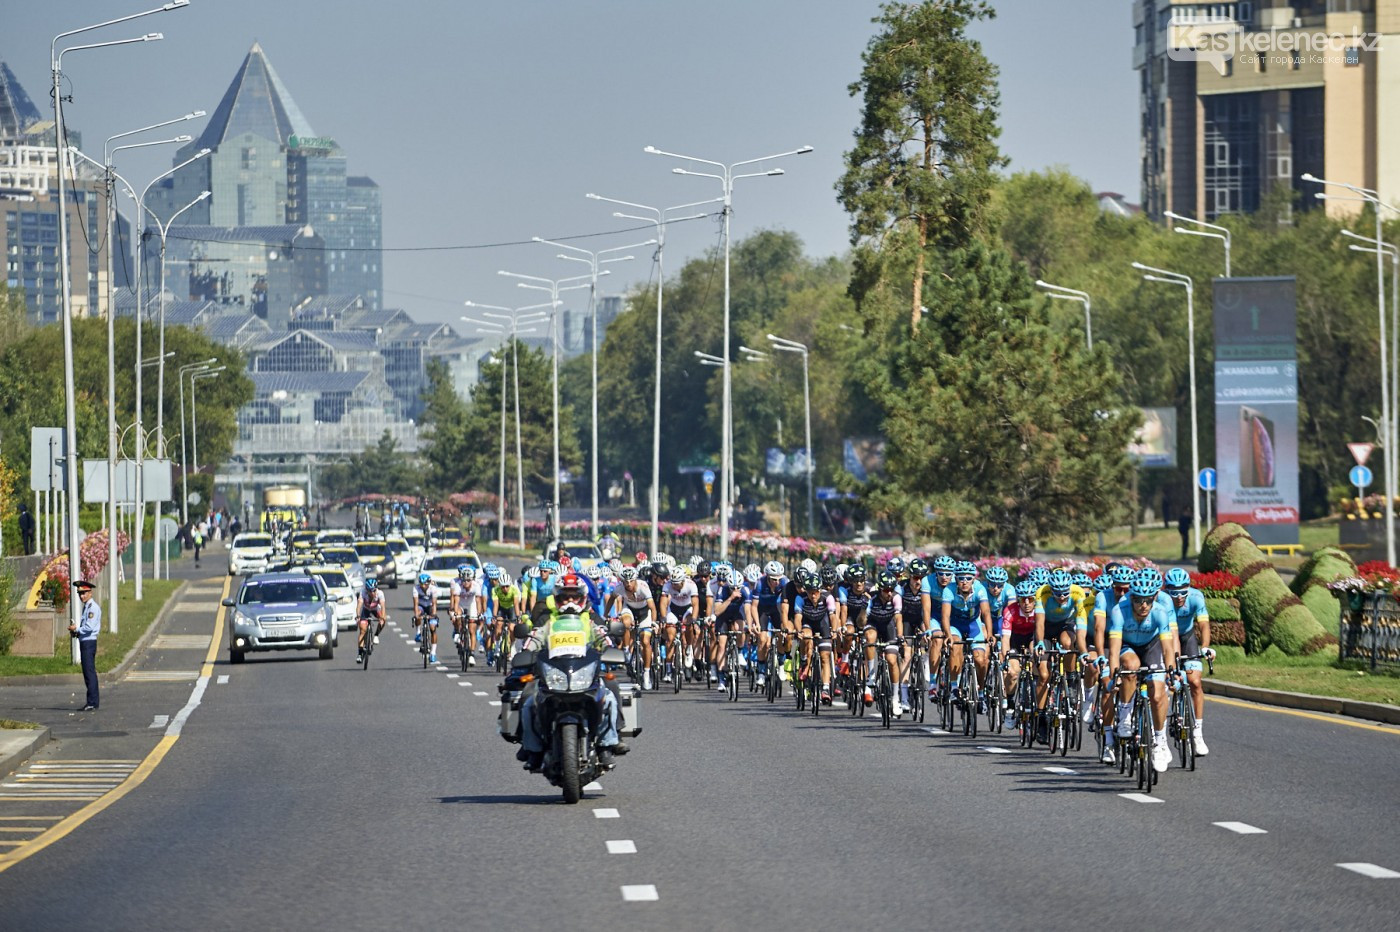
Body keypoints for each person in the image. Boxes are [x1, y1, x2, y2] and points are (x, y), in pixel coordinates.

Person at [69, 580, 101, 710]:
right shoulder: (87, 607)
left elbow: (88, 627)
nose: (82, 596)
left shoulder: (93, 608)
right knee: (88, 673)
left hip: (89, 643)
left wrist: (76, 629)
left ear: (90, 592)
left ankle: (92, 702)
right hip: (85, 641)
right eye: (80, 594)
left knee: (89, 673)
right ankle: (92, 701)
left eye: (84, 593)